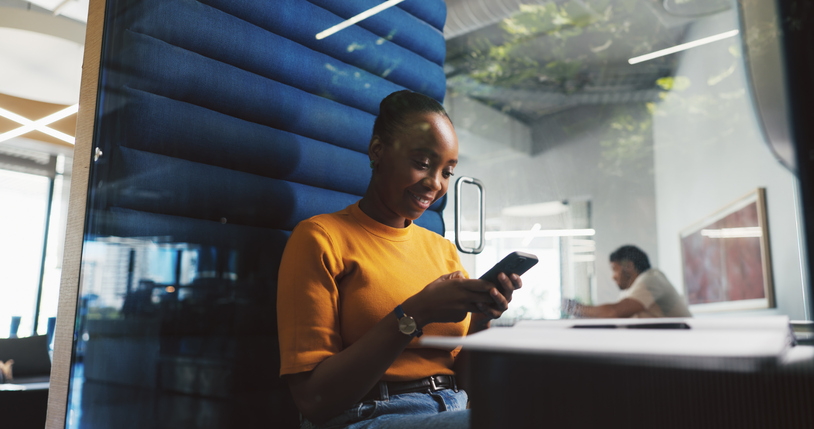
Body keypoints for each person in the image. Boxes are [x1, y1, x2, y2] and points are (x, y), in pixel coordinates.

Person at [277, 90, 521, 429]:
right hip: (369, 415)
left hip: (453, 406)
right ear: (378, 152)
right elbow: (313, 400)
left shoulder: (442, 250)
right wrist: (416, 312)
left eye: (447, 172)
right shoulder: (321, 238)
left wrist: (482, 320)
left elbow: (465, 381)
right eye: (422, 164)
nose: (435, 184)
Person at [562, 245, 691, 318]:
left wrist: (576, 308)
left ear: (629, 266)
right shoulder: (631, 292)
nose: (613, 277)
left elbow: (614, 312)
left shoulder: (652, 279)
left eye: (615, 270)